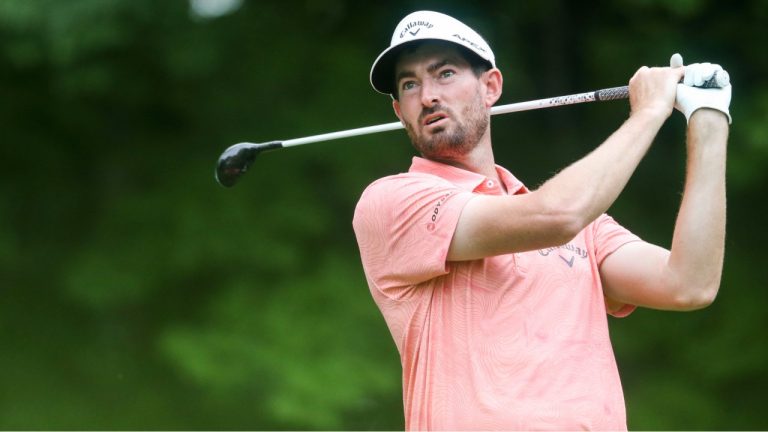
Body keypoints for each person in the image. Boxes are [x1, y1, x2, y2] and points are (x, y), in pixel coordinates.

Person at [352, 10, 730, 431]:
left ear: (490, 86)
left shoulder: (588, 228)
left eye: (445, 74)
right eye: (410, 84)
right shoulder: (392, 202)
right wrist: (647, 114)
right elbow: (557, 215)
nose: (427, 96)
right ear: (399, 110)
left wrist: (709, 118)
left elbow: (689, 283)